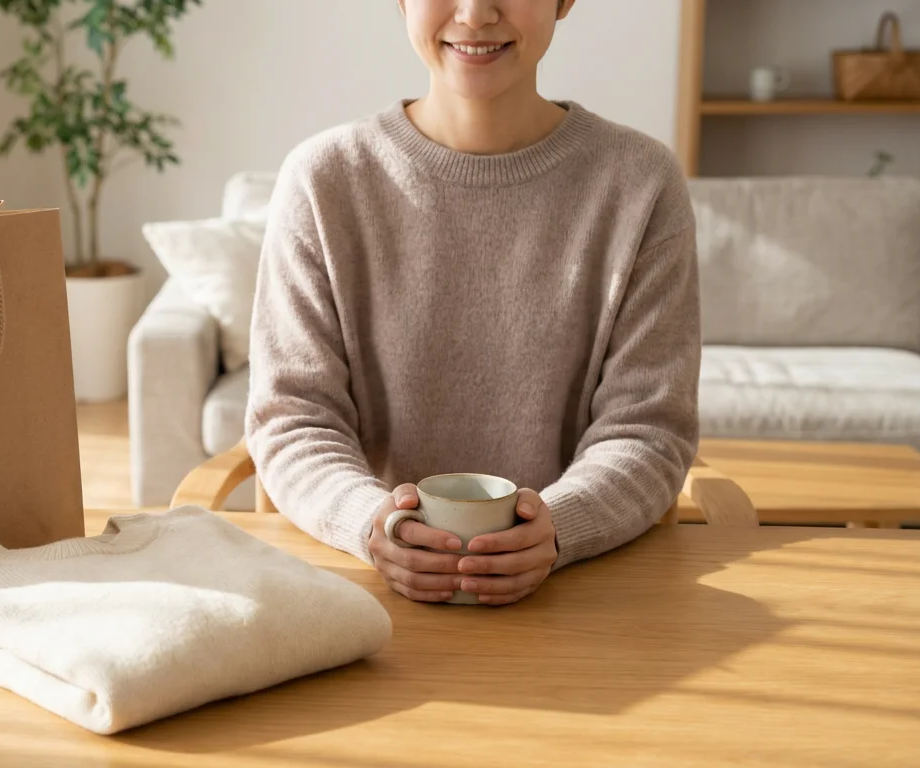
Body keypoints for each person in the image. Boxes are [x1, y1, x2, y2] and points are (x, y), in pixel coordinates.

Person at [245, 0, 701, 605]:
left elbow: (649, 429)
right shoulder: (322, 180)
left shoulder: (642, 183)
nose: (475, 13)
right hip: (365, 597)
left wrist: (558, 527)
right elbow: (293, 419)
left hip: (580, 596)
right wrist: (373, 524)